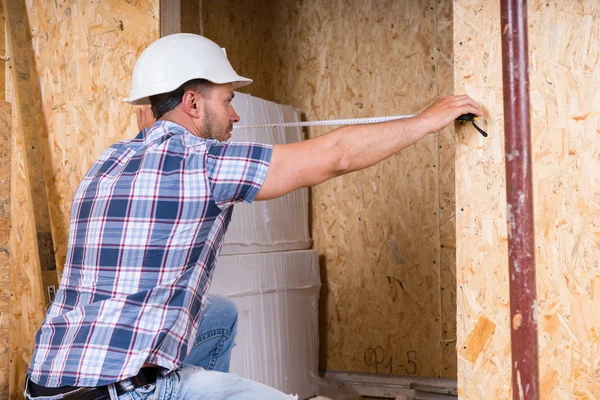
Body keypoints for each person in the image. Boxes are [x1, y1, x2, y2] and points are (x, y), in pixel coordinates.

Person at [24, 34, 482, 400]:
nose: (236, 114)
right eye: (227, 100)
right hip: (125, 393)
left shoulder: (107, 162)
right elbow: (336, 156)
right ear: (193, 103)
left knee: (218, 315)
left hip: (48, 385)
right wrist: (428, 120)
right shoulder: (201, 164)